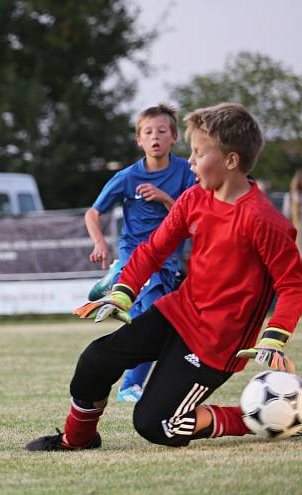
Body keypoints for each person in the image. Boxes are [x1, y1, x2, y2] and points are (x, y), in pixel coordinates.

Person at [26, 102, 302, 452]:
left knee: (157, 425)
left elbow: (292, 286)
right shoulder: (194, 198)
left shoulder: (265, 221)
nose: (190, 162)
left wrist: (274, 337)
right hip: (179, 312)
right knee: (95, 360)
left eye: (199, 153)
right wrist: (123, 292)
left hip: (217, 342)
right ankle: (75, 440)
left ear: (231, 161)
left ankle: (271, 417)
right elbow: (152, 250)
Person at [84, 104, 197, 403]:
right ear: (139, 140)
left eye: (162, 131)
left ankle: (116, 279)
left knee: (153, 322)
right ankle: (130, 386)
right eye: (148, 132)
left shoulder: (187, 170)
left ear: (174, 137)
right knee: (153, 319)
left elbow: (191, 219)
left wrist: (164, 199)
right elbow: (93, 213)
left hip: (168, 260)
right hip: (138, 254)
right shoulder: (127, 177)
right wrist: (99, 243)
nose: (155, 137)